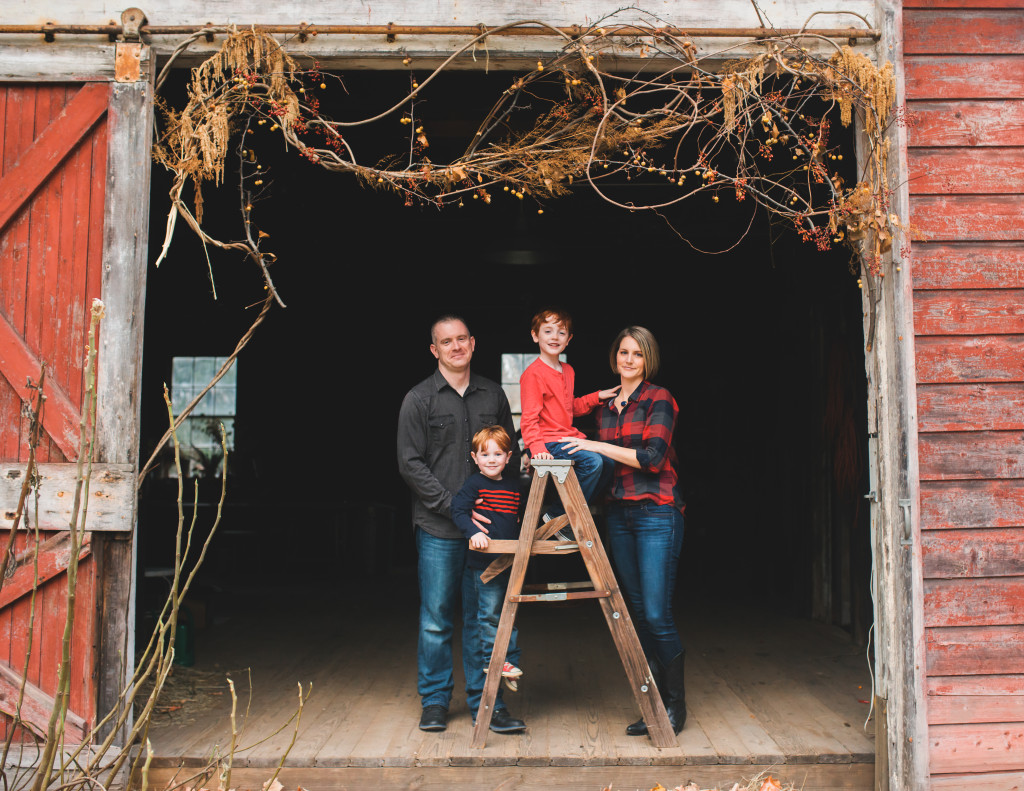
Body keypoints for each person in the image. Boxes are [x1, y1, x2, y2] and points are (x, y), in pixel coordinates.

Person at [397, 315, 526, 735]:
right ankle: (435, 702)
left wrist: (508, 514)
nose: (455, 347)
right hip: (439, 528)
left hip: (490, 534)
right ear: (434, 350)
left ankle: (488, 703)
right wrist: (455, 507)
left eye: (461, 339)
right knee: (436, 617)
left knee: (485, 618)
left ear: (473, 343)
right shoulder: (418, 399)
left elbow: (510, 456)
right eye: (445, 342)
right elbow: (410, 463)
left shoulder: (493, 394)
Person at [556, 326, 687, 735]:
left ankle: (675, 705)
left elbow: (650, 458)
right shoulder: (605, 404)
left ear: (648, 360)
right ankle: (652, 707)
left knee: (656, 614)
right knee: (635, 615)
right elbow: (563, 421)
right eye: (623, 352)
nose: (629, 360)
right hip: (619, 516)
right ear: (615, 357)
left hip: (656, 514)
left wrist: (594, 446)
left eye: (638, 354)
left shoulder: (659, 398)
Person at [518, 308, 620, 535]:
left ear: (569, 339)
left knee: (609, 464)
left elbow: (568, 407)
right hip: (549, 443)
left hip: (567, 438)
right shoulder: (533, 374)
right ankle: (559, 514)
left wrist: (597, 397)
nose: (554, 337)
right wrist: (536, 449)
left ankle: (562, 515)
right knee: (593, 463)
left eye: (561, 332)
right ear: (535, 336)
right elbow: (529, 417)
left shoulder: (568, 371)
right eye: (548, 331)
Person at [450, 425, 525, 695]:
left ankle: (510, 662)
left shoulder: (515, 485)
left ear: (508, 457)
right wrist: (473, 532)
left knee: (509, 614)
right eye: (484, 454)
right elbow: (458, 511)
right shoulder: (475, 484)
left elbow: (517, 517)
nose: (491, 460)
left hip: (510, 562)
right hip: (485, 563)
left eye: (497, 454)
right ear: (474, 457)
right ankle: (493, 661)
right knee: (489, 615)